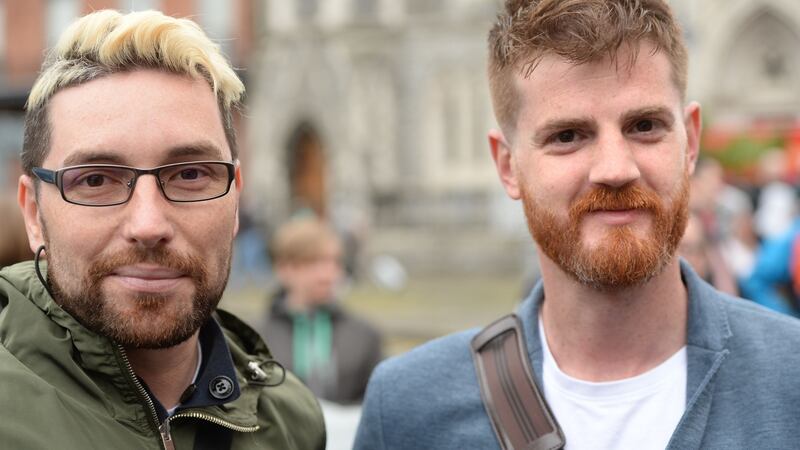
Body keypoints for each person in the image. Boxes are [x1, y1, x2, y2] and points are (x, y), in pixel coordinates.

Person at [355, 1, 800, 449]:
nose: (615, 168)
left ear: (691, 142)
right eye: (567, 136)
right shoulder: (408, 413)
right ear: (507, 166)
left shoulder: (791, 379)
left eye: (644, 126)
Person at [0, 10, 325, 450]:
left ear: (235, 202)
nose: (149, 225)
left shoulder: (289, 423)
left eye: (191, 174)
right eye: (95, 179)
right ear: (34, 215)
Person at [262, 218, 382, 405]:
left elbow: (376, 401)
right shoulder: (254, 337)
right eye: (313, 263)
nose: (327, 275)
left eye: (334, 262)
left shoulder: (364, 335)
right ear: (284, 268)